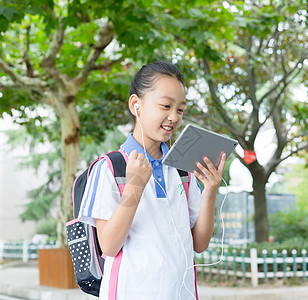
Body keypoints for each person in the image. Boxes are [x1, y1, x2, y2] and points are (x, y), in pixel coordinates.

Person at [78, 61, 226, 299]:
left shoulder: (183, 170)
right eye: (165, 105)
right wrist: (135, 186)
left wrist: (209, 191)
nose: (173, 117)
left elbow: (199, 243)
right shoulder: (109, 167)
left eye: (180, 110)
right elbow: (109, 245)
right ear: (136, 105)